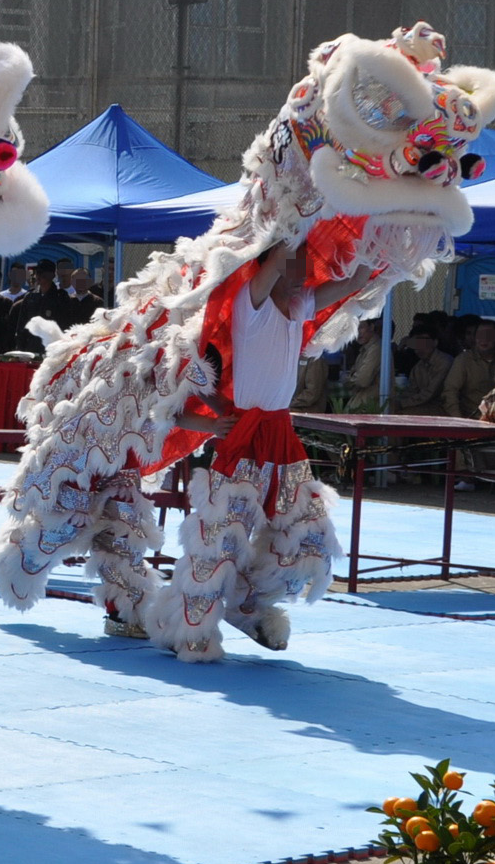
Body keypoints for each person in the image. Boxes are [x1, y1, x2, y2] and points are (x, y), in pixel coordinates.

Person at [146, 241, 365, 660]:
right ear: (271, 266)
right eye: (294, 264)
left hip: (283, 440)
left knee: (309, 540)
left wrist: (382, 241)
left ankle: (246, 605)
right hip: (244, 441)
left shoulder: (299, 308)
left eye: (305, 265)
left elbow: (354, 281)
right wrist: (294, 222)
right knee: (220, 544)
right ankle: (186, 628)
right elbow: (277, 256)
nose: (303, 273)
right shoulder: (252, 305)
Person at [7, 260, 67, 355]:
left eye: (43, 273)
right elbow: (21, 326)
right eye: (37, 272)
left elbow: (64, 326)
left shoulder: (61, 297)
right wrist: (21, 348)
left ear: (52, 275)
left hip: (51, 350)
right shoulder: (30, 296)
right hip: (30, 349)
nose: (39, 276)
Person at [445, 320, 495, 420]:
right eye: (480, 335)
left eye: (489, 335)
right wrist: (458, 420)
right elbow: (450, 391)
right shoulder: (463, 360)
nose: (484, 339)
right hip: (472, 418)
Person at [390, 327, 449, 417]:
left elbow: (430, 393)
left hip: (443, 407)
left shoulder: (444, 362)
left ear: (435, 342)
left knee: (401, 415)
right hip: (424, 406)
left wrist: (401, 404)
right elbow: (411, 390)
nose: (419, 348)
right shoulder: (418, 367)